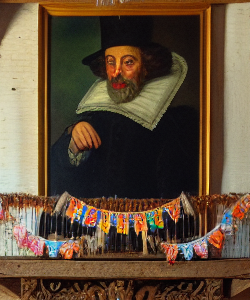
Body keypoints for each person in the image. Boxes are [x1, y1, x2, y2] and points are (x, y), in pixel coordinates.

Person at [48, 15, 198, 199]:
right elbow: (57, 180)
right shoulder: (93, 119)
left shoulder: (174, 124)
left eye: (128, 62)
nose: (117, 72)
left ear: (146, 67)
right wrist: (73, 141)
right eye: (111, 62)